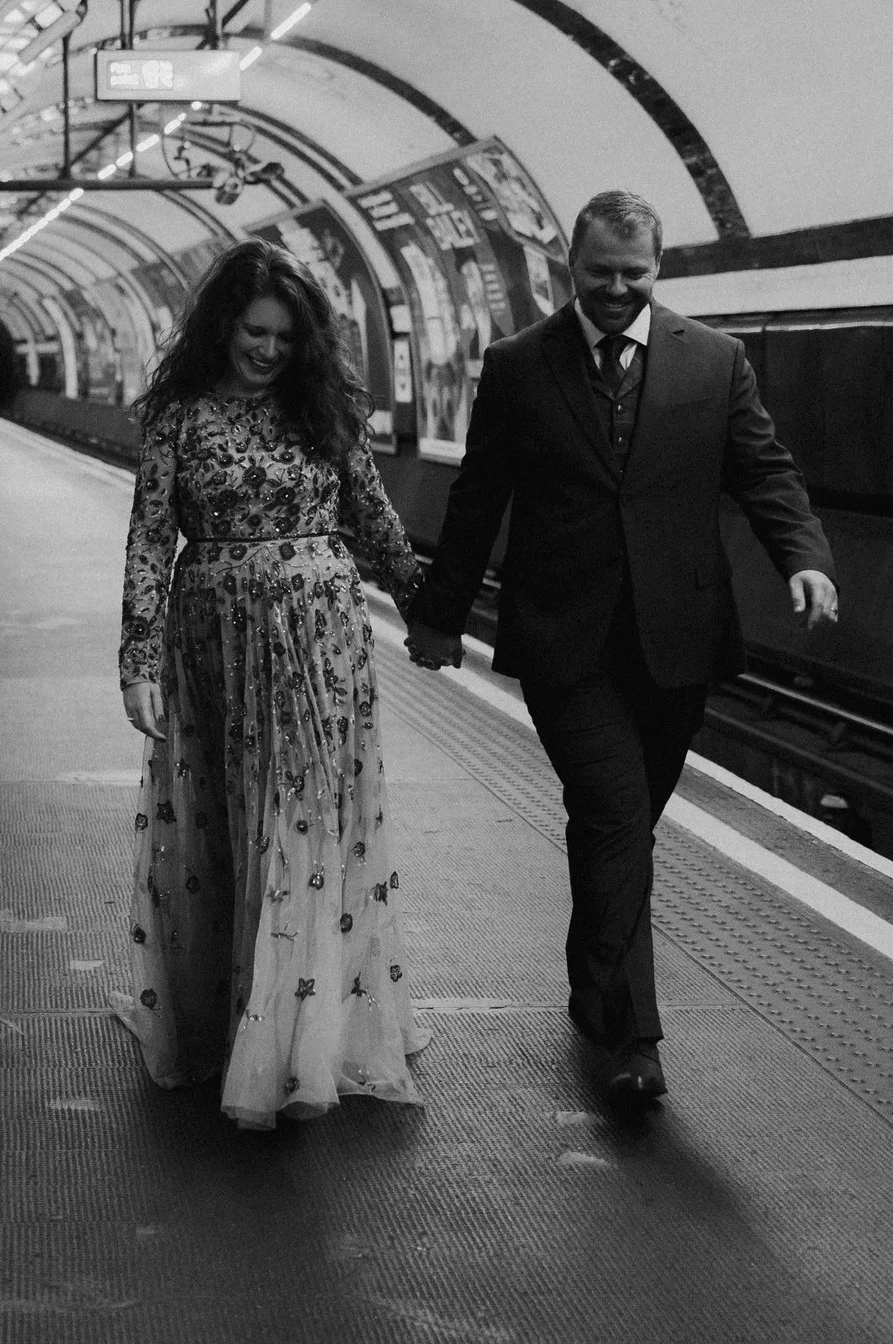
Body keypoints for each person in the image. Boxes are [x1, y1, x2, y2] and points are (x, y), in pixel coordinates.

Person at [403, 190, 837, 1106]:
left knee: (625, 827)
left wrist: (806, 559)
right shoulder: (521, 366)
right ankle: (634, 1038)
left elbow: (764, 470)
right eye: (599, 271)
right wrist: (439, 615)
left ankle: (592, 977)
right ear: (572, 263)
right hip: (567, 640)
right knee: (611, 813)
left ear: (658, 269)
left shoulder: (715, 362)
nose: (614, 287)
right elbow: (481, 496)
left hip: (677, 639)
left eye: (632, 274)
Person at [114, 240, 432, 1127]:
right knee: (233, 819)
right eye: (254, 332)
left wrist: (424, 604)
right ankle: (242, 1020)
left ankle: (299, 1038)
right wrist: (137, 661)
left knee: (301, 817)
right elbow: (149, 540)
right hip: (214, 644)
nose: (267, 351)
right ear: (223, 325)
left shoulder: (325, 409)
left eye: (285, 339)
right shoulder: (178, 415)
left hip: (322, 643)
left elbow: (370, 517)